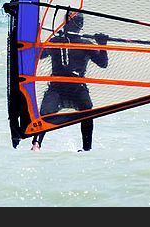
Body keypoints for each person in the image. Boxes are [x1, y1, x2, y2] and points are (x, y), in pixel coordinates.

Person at [31, 10, 108, 152]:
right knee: (45, 113)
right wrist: (38, 38)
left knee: (87, 111)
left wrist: (102, 45)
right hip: (57, 88)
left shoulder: (85, 44)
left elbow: (103, 63)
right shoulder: (56, 41)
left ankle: (86, 149)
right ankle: (36, 144)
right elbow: (38, 55)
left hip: (76, 88)